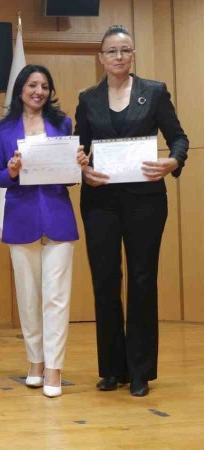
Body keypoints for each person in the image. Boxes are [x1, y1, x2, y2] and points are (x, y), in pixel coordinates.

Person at [77, 25, 188, 397]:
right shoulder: (87, 98)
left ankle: (140, 371)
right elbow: (80, 148)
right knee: (105, 282)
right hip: (100, 201)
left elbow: (179, 137)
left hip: (145, 201)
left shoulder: (154, 92)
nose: (119, 57)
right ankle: (112, 369)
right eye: (111, 51)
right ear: (101, 58)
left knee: (142, 281)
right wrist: (82, 167)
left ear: (133, 54)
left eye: (125, 50)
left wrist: (172, 162)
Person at [0, 65, 89, 398]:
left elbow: (71, 176)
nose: (39, 91)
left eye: (45, 86)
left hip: (58, 215)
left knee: (57, 298)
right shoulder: (3, 128)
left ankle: (54, 368)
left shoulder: (63, 124)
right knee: (29, 297)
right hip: (21, 218)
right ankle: (35, 361)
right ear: (20, 89)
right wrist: (12, 170)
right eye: (32, 85)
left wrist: (78, 163)